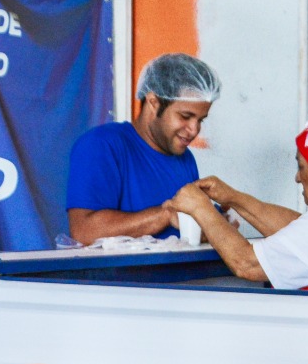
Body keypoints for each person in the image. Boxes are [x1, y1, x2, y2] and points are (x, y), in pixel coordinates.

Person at [165, 112, 308, 293]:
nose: (298, 178)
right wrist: (232, 197)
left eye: (302, 167)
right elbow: (298, 228)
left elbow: (247, 264)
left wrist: (201, 208)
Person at [66, 53, 222, 244]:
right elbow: (84, 232)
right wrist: (165, 215)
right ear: (153, 103)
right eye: (185, 116)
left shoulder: (185, 158)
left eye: (200, 120)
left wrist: (216, 224)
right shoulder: (101, 145)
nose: (194, 130)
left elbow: (188, 231)